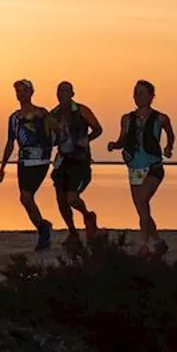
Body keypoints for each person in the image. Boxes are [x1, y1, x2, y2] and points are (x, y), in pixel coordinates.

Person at [106, 79, 175, 255]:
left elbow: (170, 133)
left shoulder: (160, 117)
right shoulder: (127, 119)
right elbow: (122, 139)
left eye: (142, 93)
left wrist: (168, 147)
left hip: (154, 167)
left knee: (142, 201)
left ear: (152, 96)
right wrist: (115, 145)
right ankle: (158, 242)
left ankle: (144, 243)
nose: (138, 96)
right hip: (134, 168)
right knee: (141, 208)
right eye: (135, 93)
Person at [0, 78, 55, 251]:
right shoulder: (14, 118)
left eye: (24, 91)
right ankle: (43, 227)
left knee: (26, 196)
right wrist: (2, 168)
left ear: (31, 92)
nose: (21, 94)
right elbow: (10, 143)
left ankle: (44, 231)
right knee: (25, 198)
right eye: (18, 91)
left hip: (41, 160)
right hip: (23, 161)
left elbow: (56, 131)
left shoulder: (42, 113)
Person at [49, 81, 104, 248]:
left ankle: (88, 216)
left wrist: (86, 139)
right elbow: (50, 139)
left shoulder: (81, 110)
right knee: (61, 200)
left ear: (72, 93)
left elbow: (98, 129)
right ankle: (73, 233)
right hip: (62, 161)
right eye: (60, 91)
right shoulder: (54, 114)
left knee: (72, 198)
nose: (62, 94)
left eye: (66, 91)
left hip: (80, 162)